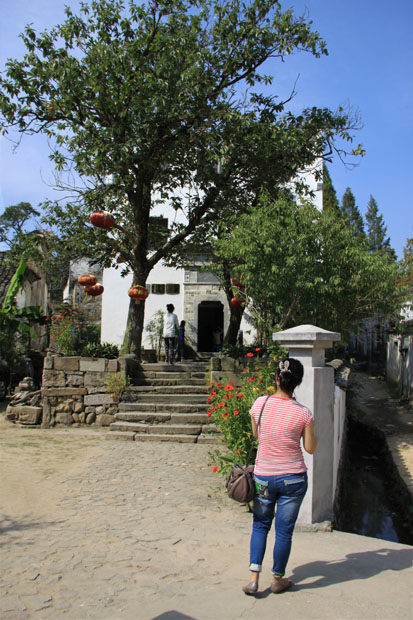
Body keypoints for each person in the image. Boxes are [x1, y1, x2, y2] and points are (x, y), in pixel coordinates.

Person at [243, 358, 317, 595]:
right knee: (284, 530)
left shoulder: (260, 404)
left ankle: (254, 578)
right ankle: (277, 579)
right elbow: (310, 448)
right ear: (298, 383)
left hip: (264, 478)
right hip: (293, 480)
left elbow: (257, 435)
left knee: (260, 524)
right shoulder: (303, 413)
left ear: (277, 378)